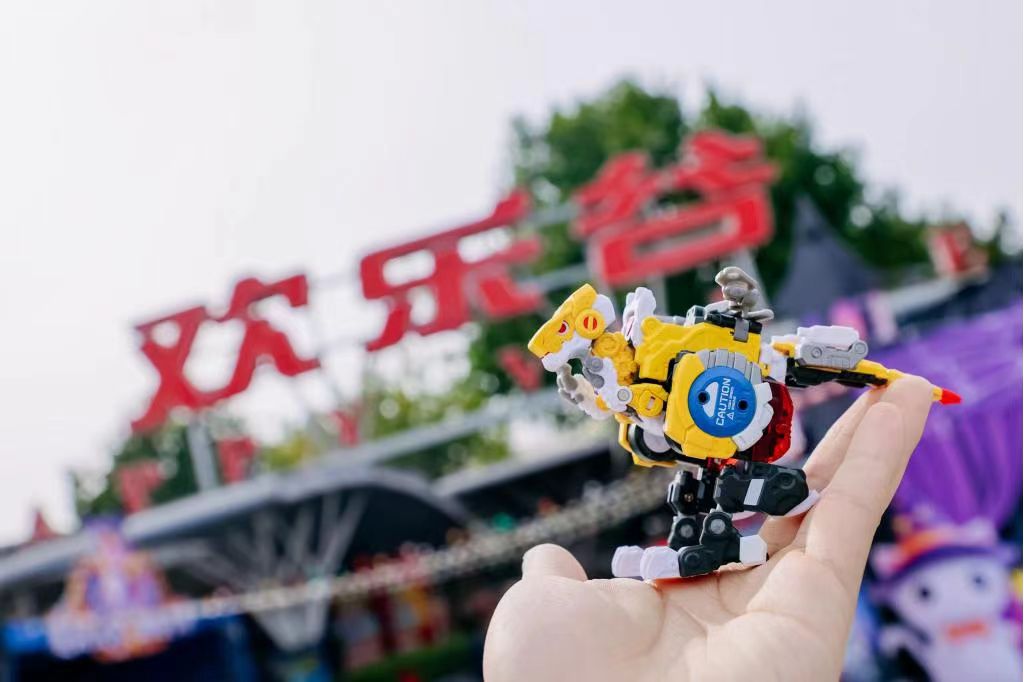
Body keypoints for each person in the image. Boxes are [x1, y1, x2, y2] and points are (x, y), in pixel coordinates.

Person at [483, 376, 935, 681]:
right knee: (696, 497)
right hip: (726, 517)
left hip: (745, 502)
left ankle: (712, 538)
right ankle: (705, 540)